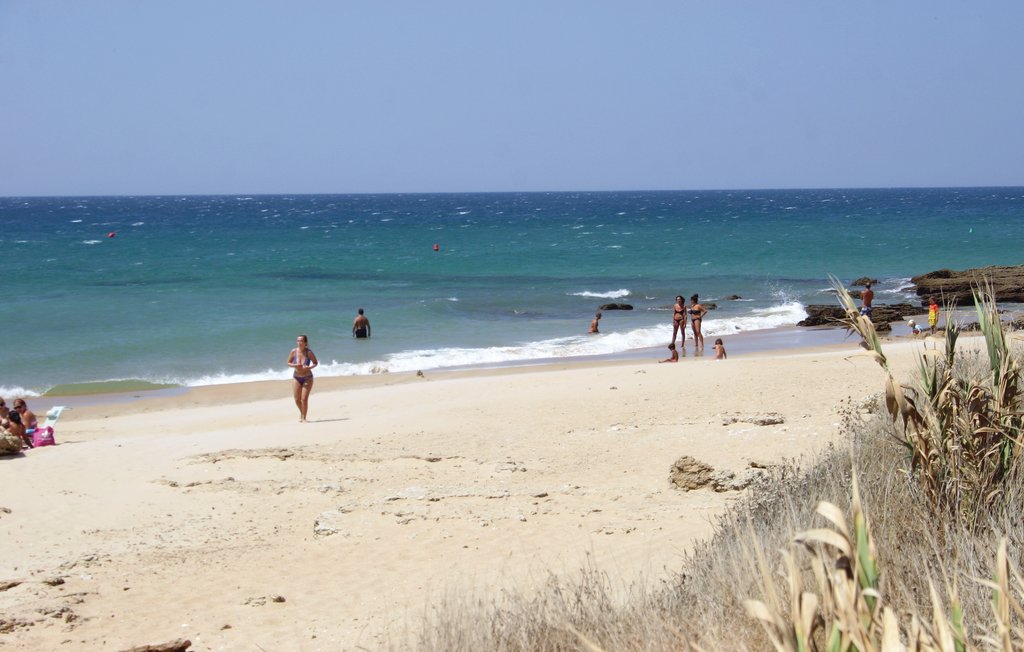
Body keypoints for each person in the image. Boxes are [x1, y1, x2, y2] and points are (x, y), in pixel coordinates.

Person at [287, 334, 319, 422]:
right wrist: (295, 365)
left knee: (304, 399)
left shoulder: (309, 352)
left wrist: (309, 367)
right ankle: (302, 413)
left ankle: (304, 417)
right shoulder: (293, 351)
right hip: (296, 377)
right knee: (297, 399)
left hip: (307, 377)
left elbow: (315, 362)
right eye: (298, 341)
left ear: (305, 342)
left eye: (301, 341)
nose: (299, 342)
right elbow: (288, 363)